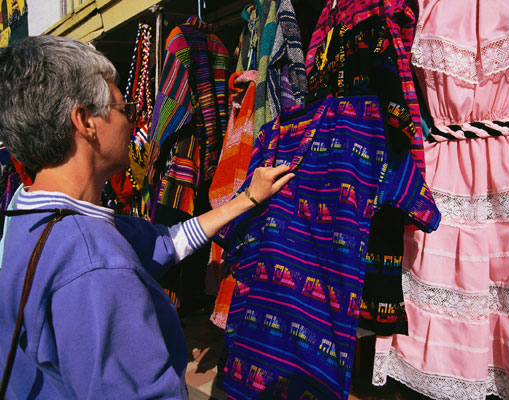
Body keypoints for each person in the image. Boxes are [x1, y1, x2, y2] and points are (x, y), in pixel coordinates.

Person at [0, 35, 294, 399]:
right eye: (125, 110)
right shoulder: (96, 267)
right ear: (85, 122)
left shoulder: (28, 211)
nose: (134, 123)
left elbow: (168, 242)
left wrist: (247, 198)